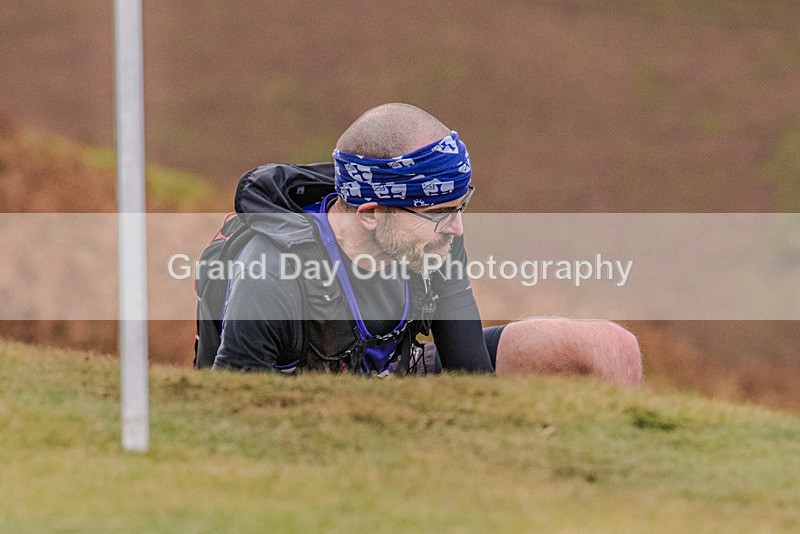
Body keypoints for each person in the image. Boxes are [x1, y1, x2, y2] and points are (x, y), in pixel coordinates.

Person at [204, 103, 642, 386]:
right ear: (371, 214)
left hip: (395, 378)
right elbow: (233, 418)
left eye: (461, 206)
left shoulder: (432, 241)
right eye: (440, 213)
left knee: (611, 347)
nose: (457, 229)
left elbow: (470, 376)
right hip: (306, 422)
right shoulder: (272, 276)